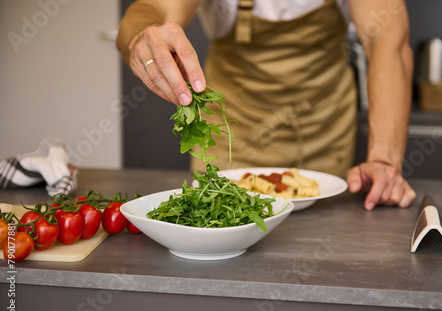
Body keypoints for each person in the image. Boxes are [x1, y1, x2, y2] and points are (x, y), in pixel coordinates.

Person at [116, 0, 416, 210]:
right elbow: (151, 8)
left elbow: (387, 41)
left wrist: (384, 161)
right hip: (233, 135)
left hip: (325, 131)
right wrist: (141, 36)